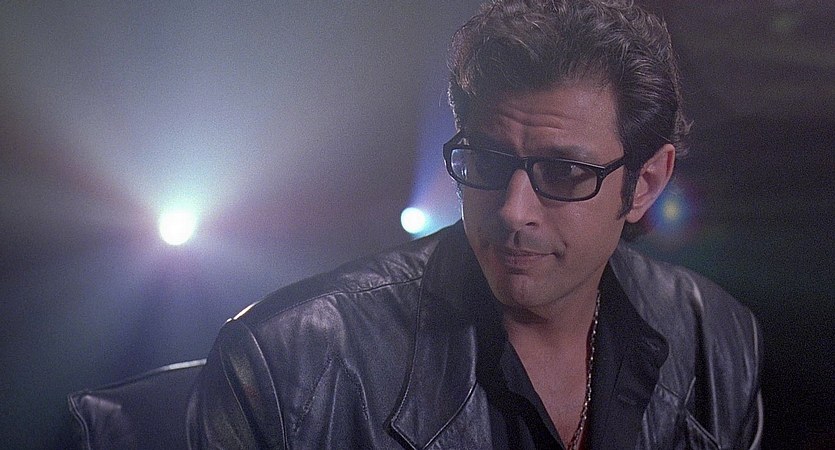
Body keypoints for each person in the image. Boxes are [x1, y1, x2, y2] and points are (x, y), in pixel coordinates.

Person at [187, 0, 763, 448]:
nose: (513, 210)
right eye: (486, 161)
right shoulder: (287, 364)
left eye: (564, 172)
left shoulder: (715, 337)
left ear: (646, 183)